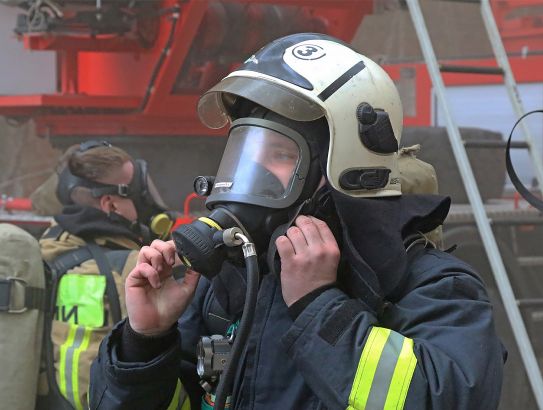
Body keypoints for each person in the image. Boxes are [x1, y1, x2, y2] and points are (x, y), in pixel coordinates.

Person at [89, 33, 505, 410]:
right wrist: (145, 342)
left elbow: (444, 398)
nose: (254, 173)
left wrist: (319, 305)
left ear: (345, 166)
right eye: (245, 152)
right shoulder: (225, 284)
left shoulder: (430, 286)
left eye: (280, 154)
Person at [38, 140, 170, 410]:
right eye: (139, 192)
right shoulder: (135, 270)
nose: (147, 202)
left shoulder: (46, 249)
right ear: (111, 205)